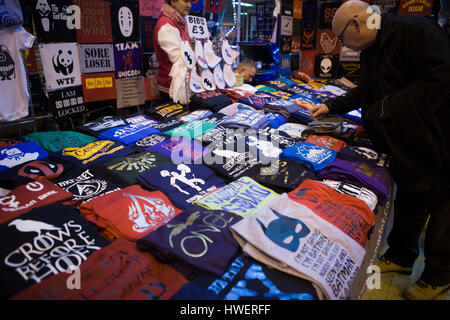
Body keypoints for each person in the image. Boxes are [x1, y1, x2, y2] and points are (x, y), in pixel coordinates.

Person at [309, 0, 450, 300]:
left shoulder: (414, 31)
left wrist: (386, 108)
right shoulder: (372, 49)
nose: (343, 45)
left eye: (342, 38)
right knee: (412, 195)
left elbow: (441, 79)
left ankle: (440, 276)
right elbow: (365, 90)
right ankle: (400, 256)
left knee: (442, 204)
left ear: (357, 24)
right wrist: (332, 105)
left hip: (439, 136)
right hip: (408, 141)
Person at [153, 0, 192, 104]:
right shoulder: (166, 24)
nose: (189, 5)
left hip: (185, 86)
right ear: (173, 1)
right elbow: (179, 59)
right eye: (186, 1)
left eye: (190, 2)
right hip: (174, 90)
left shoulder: (180, 23)